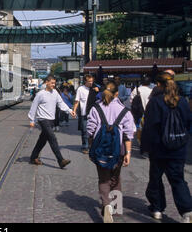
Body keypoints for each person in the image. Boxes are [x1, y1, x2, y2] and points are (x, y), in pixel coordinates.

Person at [141, 72, 192, 223]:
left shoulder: (156, 102)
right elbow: (189, 122)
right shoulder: (182, 101)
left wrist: (145, 146)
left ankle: (157, 208)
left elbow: (149, 127)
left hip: (159, 148)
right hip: (178, 148)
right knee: (178, 180)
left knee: (156, 179)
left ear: (158, 85)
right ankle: (187, 211)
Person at [86, 80, 135, 223]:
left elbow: (90, 131)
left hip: (100, 150)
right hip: (118, 150)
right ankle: (116, 207)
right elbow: (128, 134)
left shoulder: (96, 108)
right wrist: (128, 153)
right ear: (117, 93)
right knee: (115, 178)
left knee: (103, 178)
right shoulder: (125, 111)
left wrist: (91, 149)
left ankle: (106, 206)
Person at [28, 75, 75, 169]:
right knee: (52, 138)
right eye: (52, 83)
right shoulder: (40, 94)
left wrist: (70, 111)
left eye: (54, 83)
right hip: (42, 119)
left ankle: (33, 157)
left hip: (51, 120)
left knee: (42, 140)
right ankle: (61, 160)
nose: (54, 85)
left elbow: (61, 104)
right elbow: (34, 106)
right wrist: (32, 120)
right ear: (46, 82)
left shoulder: (55, 93)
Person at [73, 75, 100, 154]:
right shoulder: (81, 89)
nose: (91, 83)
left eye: (92, 81)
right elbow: (77, 100)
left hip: (94, 114)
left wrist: (97, 91)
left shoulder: (95, 88)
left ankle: (92, 145)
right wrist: (74, 110)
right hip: (84, 113)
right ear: (85, 81)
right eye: (89, 81)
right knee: (84, 130)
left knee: (94, 130)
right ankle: (85, 146)